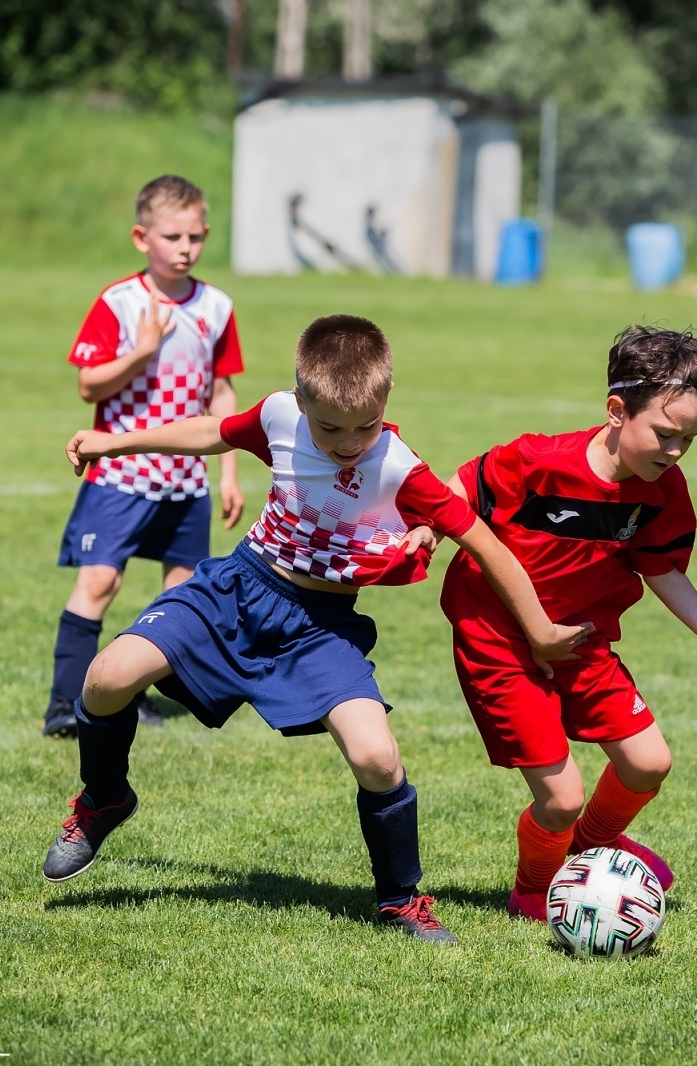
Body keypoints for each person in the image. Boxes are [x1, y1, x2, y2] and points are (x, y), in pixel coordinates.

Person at [42, 315, 590, 944]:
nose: (350, 441)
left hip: (320, 628)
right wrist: (114, 442)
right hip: (238, 588)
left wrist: (541, 629)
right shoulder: (278, 416)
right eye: (330, 427)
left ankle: (399, 899)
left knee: (377, 758)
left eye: (366, 426)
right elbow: (211, 434)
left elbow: (485, 543)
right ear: (301, 399)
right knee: (107, 677)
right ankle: (104, 798)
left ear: (387, 400)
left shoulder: (401, 469)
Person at [439, 326, 697, 922]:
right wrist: (421, 532)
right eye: (665, 434)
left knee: (648, 763)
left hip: (582, 641)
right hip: (497, 641)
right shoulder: (535, 461)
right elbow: (450, 497)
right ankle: (532, 895)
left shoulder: (662, 492)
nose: (675, 451)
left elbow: (663, 570)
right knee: (562, 798)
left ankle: (592, 849)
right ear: (617, 411)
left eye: (689, 440)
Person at [43, 175, 246, 739]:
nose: (186, 248)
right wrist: (143, 351)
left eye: (196, 236)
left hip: (186, 481)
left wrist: (227, 472)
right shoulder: (119, 302)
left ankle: (130, 695)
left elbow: (222, 392)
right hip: (122, 477)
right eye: (173, 236)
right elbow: (90, 386)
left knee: (177, 599)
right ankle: (66, 702)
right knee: (100, 584)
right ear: (141, 237)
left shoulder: (217, 306)